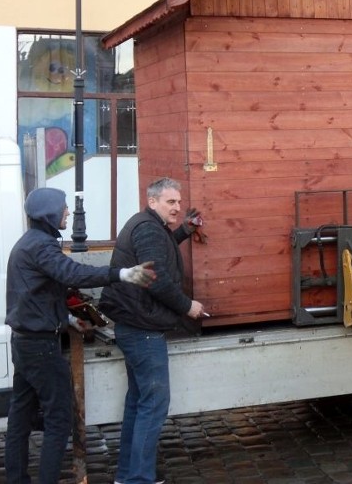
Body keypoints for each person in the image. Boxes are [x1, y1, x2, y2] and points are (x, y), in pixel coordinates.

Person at [4, 187, 156, 484]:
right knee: (60, 422)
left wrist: (70, 317)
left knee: (19, 419)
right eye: (62, 208)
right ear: (49, 213)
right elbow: (73, 274)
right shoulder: (41, 247)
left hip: (24, 342)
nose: (67, 213)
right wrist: (121, 274)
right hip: (40, 347)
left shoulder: (29, 243)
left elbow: (36, 295)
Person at [99, 177, 206, 484]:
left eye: (178, 201)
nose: (177, 206)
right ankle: (139, 479)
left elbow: (160, 251)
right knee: (154, 404)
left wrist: (185, 229)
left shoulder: (149, 226)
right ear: (153, 201)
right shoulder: (147, 228)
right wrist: (187, 306)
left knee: (139, 402)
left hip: (134, 325)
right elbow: (154, 278)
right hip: (142, 328)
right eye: (171, 202)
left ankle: (128, 475)